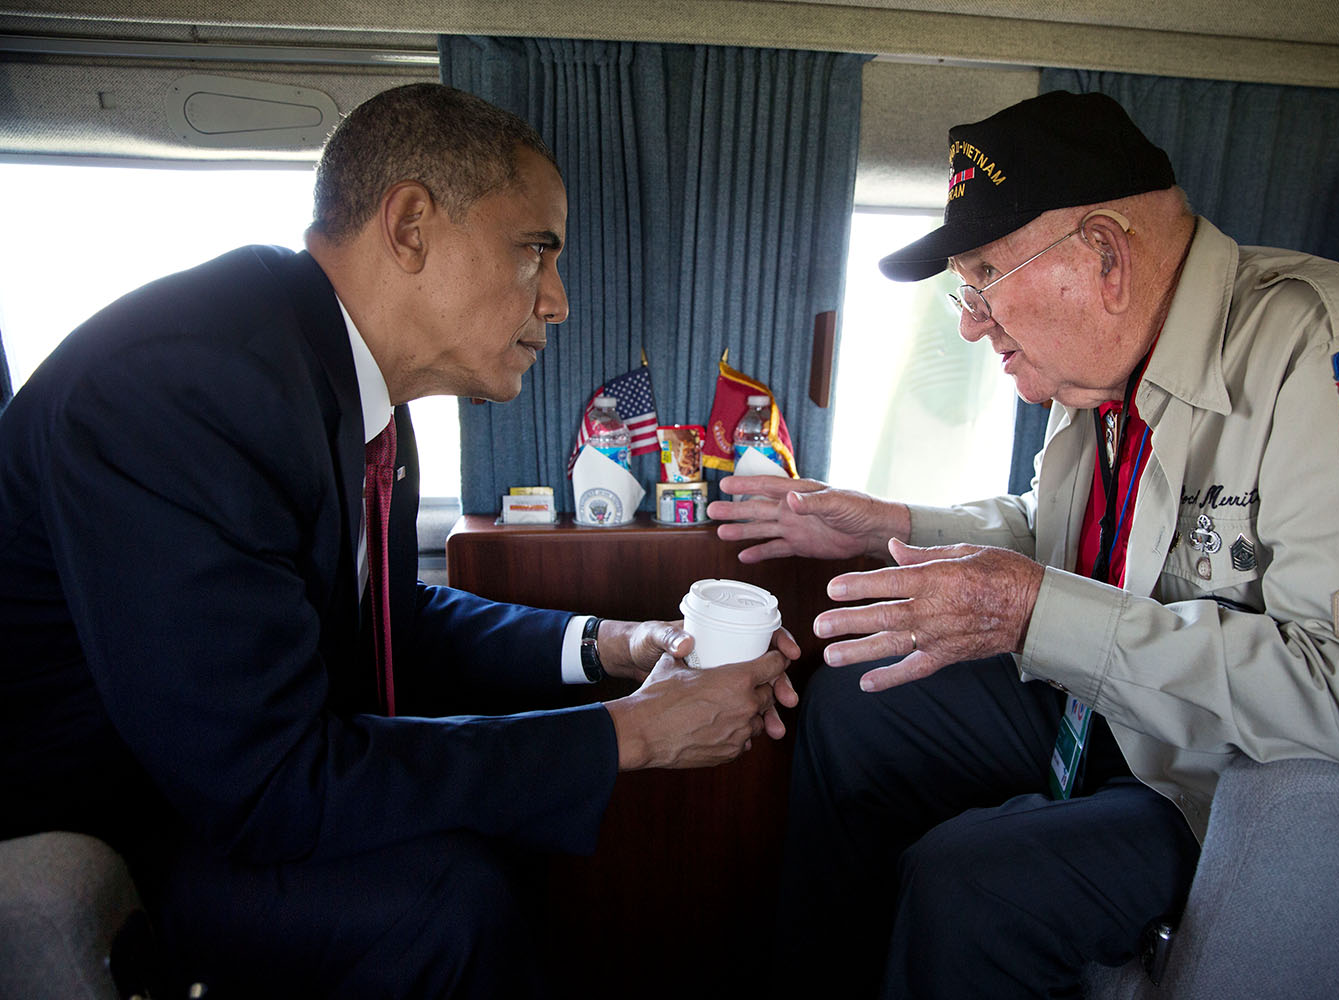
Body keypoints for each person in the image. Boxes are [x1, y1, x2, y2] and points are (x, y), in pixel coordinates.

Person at [0, 83, 799, 998]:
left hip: (206, 780)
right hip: (114, 814)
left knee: (508, 822)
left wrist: (619, 648)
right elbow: (266, 786)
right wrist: (633, 735)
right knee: (443, 899)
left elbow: (392, 617)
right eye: (535, 250)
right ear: (411, 225)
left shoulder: (351, 390)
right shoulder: (185, 387)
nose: (559, 301)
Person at [709, 90, 1339, 998]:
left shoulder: (1325, 358)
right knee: (851, 705)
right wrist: (899, 525)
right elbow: (1077, 533)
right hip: (1147, 711)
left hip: (1287, 779)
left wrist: (1030, 610)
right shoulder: (1103, 368)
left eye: (983, 278)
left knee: (969, 883)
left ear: (1103, 258)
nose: (970, 322)